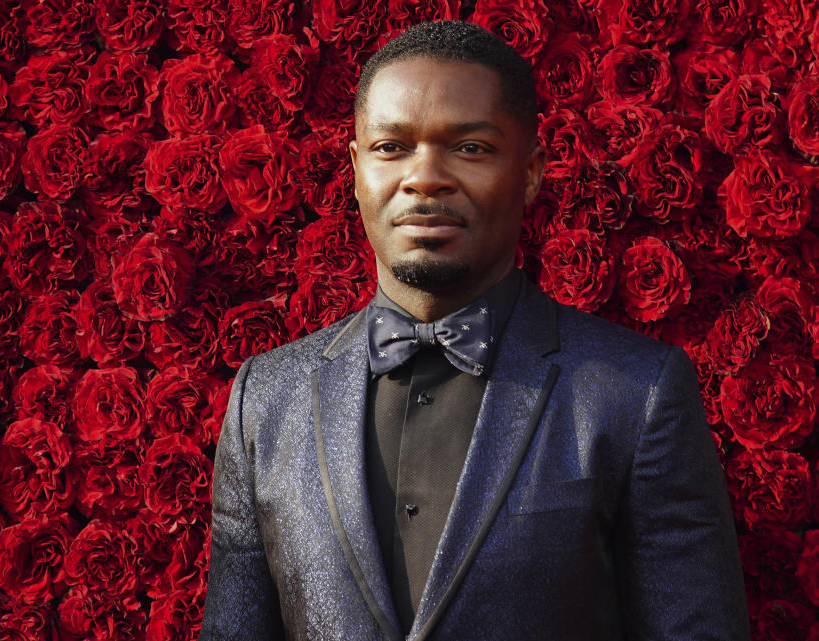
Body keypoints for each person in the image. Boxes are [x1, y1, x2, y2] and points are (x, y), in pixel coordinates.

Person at [200, 20, 750, 641]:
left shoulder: (636, 394)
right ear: (355, 169)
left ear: (533, 171)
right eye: (391, 147)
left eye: (470, 148)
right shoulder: (264, 400)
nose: (425, 176)